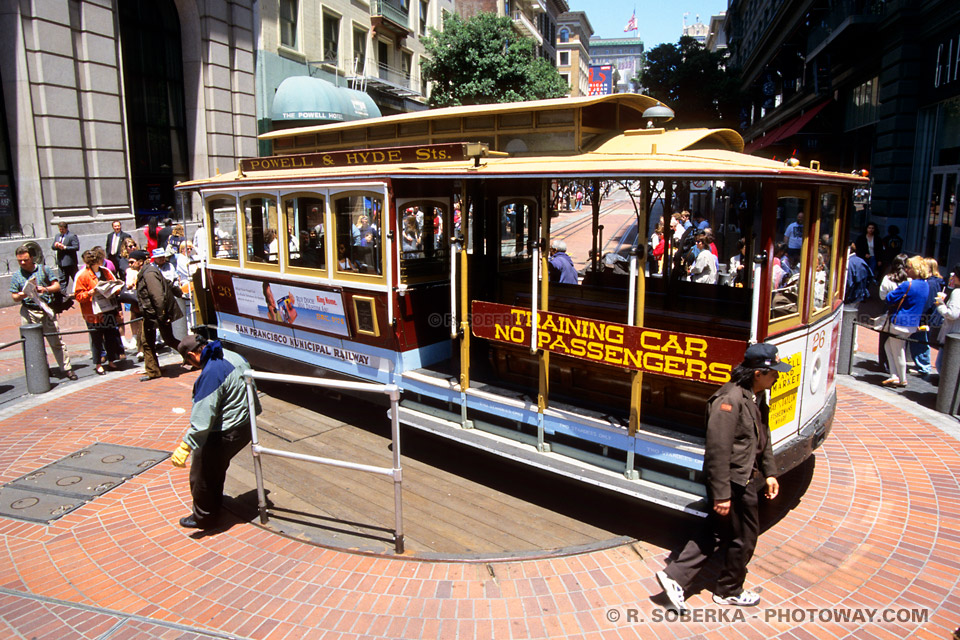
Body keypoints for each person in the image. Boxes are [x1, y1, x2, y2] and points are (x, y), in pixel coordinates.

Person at [656, 343, 790, 612]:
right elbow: (717, 451)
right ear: (757, 373)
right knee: (745, 537)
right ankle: (729, 590)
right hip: (734, 481)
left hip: (745, 477)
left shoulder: (756, 395)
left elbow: (763, 437)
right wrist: (722, 495)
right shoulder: (729, 401)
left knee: (718, 531)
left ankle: (676, 577)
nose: (777, 376)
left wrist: (771, 471)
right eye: (772, 371)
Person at [170, 335, 261, 530]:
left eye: (189, 361)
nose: (192, 366)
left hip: (226, 431)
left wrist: (186, 444)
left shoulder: (212, 372)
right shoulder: (231, 355)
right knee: (216, 467)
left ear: (193, 354)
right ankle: (214, 502)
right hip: (246, 425)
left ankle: (205, 518)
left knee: (202, 472)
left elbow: (203, 416)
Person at [9, 245, 77, 381]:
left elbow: (56, 286)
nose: (22, 263)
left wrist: (45, 289)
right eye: (19, 261)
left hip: (45, 309)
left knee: (56, 341)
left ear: (32, 258)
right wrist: (24, 294)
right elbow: (14, 296)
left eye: (25, 260)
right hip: (28, 311)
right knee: (33, 343)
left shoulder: (44, 269)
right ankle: (42, 370)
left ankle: (67, 369)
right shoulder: (17, 275)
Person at [131, 249, 183, 381]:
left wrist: (162, 315)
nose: (130, 265)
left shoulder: (149, 274)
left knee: (153, 341)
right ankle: (153, 370)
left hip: (155, 314)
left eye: (132, 262)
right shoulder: (148, 271)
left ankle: (196, 356)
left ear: (140, 262)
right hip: (153, 314)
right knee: (158, 340)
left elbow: (158, 297)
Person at [73, 249, 124, 375]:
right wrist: (89, 293)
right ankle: (98, 364)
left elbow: (115, 285)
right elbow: (78, 296)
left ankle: (112, 360)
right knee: (96, 339)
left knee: (111, 335)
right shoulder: (82, 275)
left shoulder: (105, 271)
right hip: (93, 312)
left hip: (108, 308)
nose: (99, 263)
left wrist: (114, 288)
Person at [882, 255, 929, 387]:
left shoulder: (907, 284)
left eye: (908, 267)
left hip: (900, 322)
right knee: (890, 346)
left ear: (916, 269)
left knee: (898, 350)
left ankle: (901, 378)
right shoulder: (925, 286)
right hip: (913, 323)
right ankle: (894, 375)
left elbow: (890, 298)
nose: (906, 269)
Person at [934, 264, 960, 372]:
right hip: (956, 334)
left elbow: (952, 314)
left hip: (952, 334)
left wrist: (940, 305)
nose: (952, 277)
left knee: (942, 365)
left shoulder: (957, 293)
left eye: (955, 275)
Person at [52, 221, 81, 293]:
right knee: (62, 280)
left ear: (66, 228)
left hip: (70, 263)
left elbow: (76, 247)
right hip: (61, 262)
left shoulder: (71, 236)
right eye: (60, 229)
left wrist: (65, 247)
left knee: (75, 278)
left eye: (62, 229)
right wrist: (56, 246)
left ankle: (80, 292)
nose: (61, 231)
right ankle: (63, 296)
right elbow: (52, 247)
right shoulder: (57, 236)